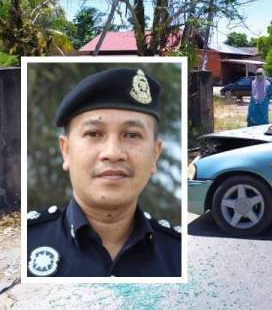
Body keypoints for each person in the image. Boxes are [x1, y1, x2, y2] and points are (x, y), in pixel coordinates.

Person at [26, 67, 181, 277]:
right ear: (66, 151)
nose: (113, 153)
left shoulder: (180, 254)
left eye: (132, 135)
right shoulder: (24, 242)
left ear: (155, 154)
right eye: (94, 133)